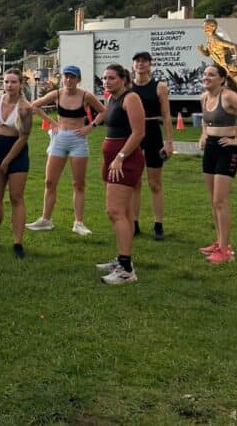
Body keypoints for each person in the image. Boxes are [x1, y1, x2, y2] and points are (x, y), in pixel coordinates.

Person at [26, 65, 105, 236]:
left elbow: (103, 111)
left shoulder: (86, 96)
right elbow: (35, 105)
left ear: (78, 79)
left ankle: (78, 222)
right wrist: (51, 121)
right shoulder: (57, 94)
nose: (68, 80)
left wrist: (90, 127)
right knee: (50, 182)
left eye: (72, 77)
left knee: (78, 183)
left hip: (78, 140)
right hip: (59, 139)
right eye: (66, 76)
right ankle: (46, 220)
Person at [197, 64, 237, 264]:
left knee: (220, 201)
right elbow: (206, 122)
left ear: (222, 79)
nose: (206, 77)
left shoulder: (229, 96)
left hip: (227, 148)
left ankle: (225, 251)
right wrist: (203, 135)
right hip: (211, 148)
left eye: (211, 75)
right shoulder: (204, 97)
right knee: (213, 200)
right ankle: (219, 242)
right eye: (205, 74)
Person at [95, 64, 146, 284]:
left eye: (112, 78)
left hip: (125, 160)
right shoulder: (112, 98)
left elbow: (138, 133)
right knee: (120, 212)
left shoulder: (131, 98)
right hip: (113, 159)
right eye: (105, 78)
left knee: (115, 211)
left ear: (124, 79)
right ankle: (122, 258)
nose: (106, 81)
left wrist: (120, 157)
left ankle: (126, 269)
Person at [0, 69, 33, 259]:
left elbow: (24, 136)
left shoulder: (25, 107)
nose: (9, 85)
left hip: (17, 154)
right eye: (6, 82)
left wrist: (8, 160)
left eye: (13, 82)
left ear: (20, 84)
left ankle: (18, 243)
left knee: (16, 197)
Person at [130, 52, 174, 240]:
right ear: (133, 65)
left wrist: (169, 142)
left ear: (150, 65)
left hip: (153, 132)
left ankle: (158, 224)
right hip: (133, 134)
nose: (141, 64)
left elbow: (166, 115)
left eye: (144, 61)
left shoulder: (159, 87)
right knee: (134, 182)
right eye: (138, 61)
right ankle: (134, 222)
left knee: (155, 183)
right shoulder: (128, 87)